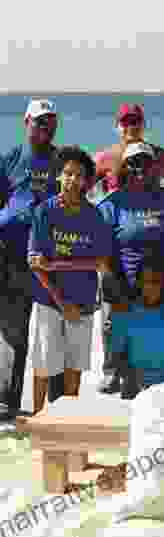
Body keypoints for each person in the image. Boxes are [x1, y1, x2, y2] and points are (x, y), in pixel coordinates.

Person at [96, 142, 164, 393]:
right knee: (119, 337)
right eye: (133, 163)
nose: (140, 168)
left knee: (158, 350)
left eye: (145, 162)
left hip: (162, 287)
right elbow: (98, 246)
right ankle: (113, 373)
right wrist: (110, 280)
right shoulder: (112, 203)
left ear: (155, 167)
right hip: (123, 284)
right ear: (125, 168)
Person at [26, 146, 114, 413]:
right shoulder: (44, 211)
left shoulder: (95, 215)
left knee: (74, 367)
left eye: (79, 175)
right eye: (68, 174)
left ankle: (68, 423)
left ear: (87, 181)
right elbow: (35, 264)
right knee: (43, 365)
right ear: (58, 177)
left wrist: (55, 264)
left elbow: (102, 264)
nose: (73, 180)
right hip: (49, 301)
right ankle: (38, 420)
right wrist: (61, 301)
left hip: (84, 303)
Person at [0, 99, 62, 417]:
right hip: (10, 255)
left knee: (54, 330)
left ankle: (60, 405)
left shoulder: (62, 160)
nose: (45, 127)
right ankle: (7, 402)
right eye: (40, 122)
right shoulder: (10, 159)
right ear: (26, 122)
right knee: (14, 328)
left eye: (50, 122)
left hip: (51, 258)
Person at [109, 257, 164, 399]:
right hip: (136, 387)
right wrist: (132, 381)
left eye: (157, 282)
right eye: (147, 282)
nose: (152, 287)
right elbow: (117, 355)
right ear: (139, 283)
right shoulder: (126, 313)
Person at [92, 103, 164, 200]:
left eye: (135, 122)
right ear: (117, 127)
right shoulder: (104, 158)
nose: (131, 127)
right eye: (125, 123)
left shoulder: (161, 155)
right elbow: (81, 190)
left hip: (151, 212)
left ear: (144, 125)